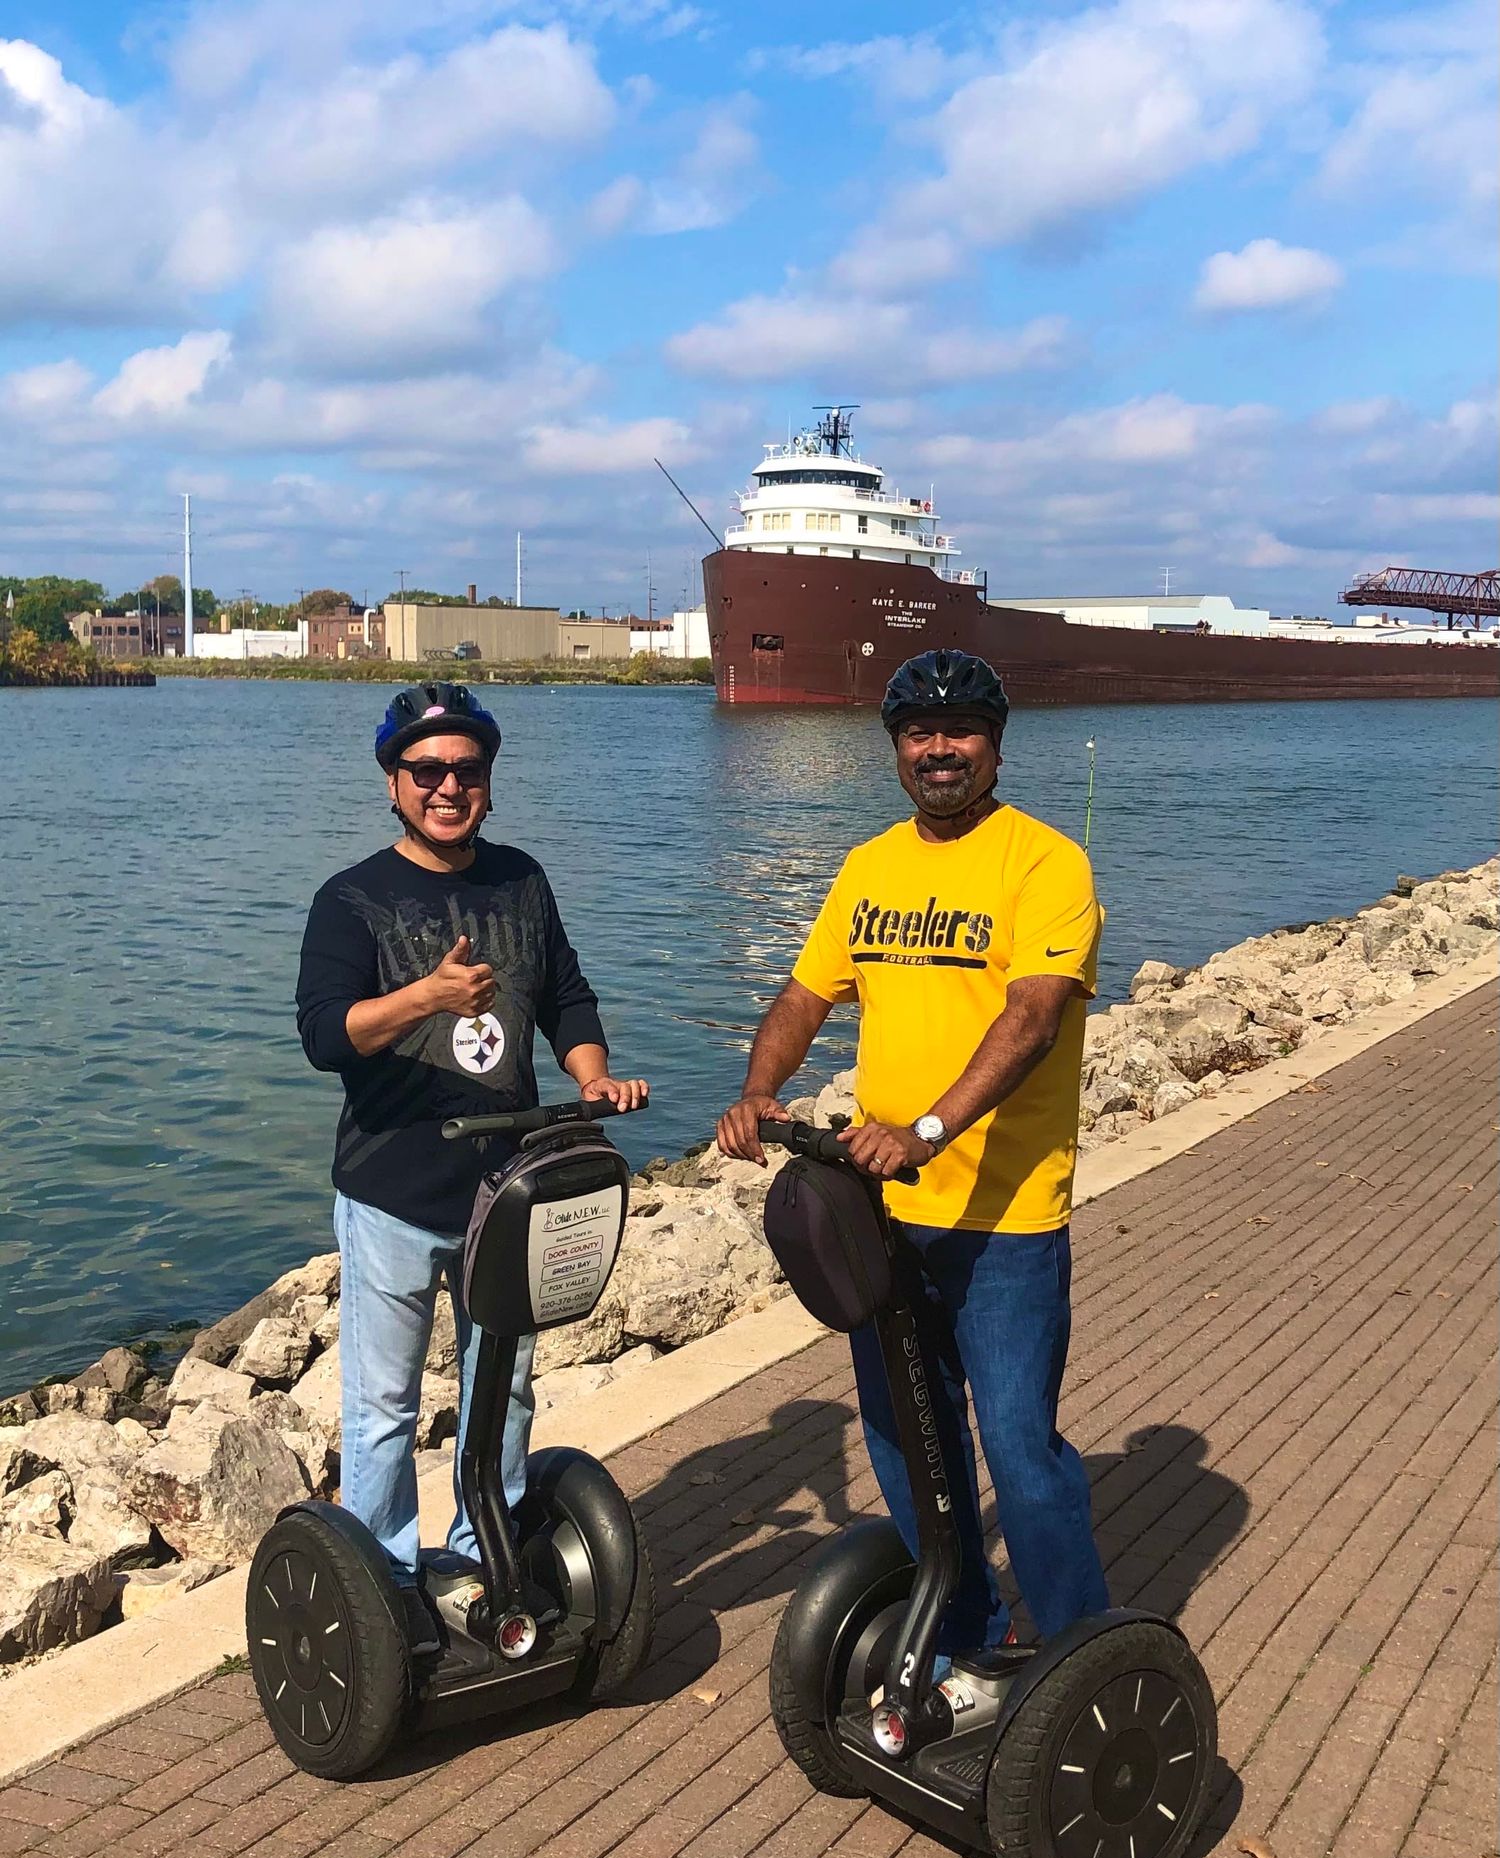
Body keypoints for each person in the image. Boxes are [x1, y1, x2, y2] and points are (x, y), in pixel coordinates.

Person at [717, 649, 1108, 1668]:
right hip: (882, 1213)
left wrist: (927, 1130)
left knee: (1019, 1451)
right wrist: (759, 1089)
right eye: (919, 733)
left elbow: (1032, 1018)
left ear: (996, 746)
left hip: (1003, 1219)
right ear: (896, 749)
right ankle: (969, 1633)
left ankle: (1082, 1658)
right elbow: (806, 992)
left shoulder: (1045, 863)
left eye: (961, 729)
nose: (940, 749)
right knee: (907, 1442)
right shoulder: (871, 866)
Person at [296, 681, 646, 1650]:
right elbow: (325, 1035)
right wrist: (428, 995)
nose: (447, 786)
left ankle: (482, 1556)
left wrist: (594, 1076)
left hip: (511, 1193)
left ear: (488, 781)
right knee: (383, 1408)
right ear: (393, 782)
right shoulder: (350, 899)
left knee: (506, 1390)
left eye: (467, 769)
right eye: (426, 770)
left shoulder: (522, 881)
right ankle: (386, 1592)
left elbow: (566, 997)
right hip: (393, 1196)